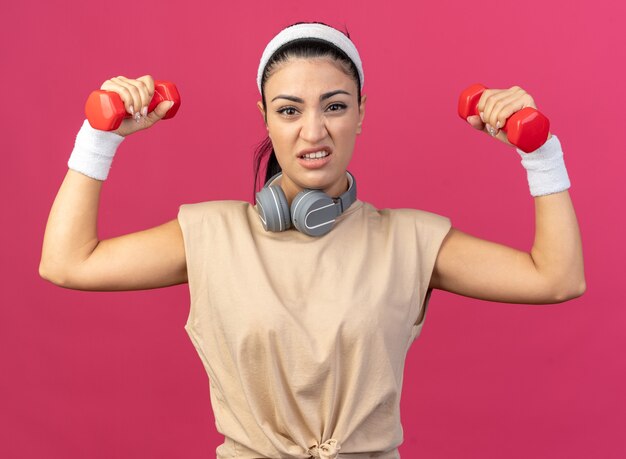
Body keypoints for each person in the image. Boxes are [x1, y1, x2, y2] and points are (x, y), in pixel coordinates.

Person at [39, 21, 585, 459]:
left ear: (361, 112)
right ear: (266, 119)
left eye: (335, 105)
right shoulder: (210, 234)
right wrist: (99, 137)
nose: (313, 131)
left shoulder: (411, 240)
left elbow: (557, 278)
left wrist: (539, 153)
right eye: (289, 110)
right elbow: (67, 263)